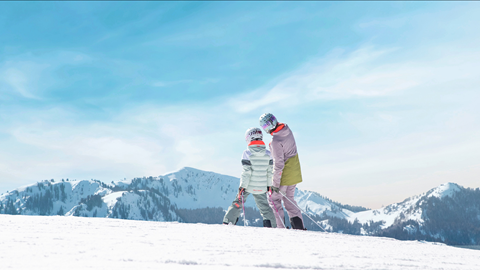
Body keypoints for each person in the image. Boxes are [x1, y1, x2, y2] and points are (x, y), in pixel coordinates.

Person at [223, 127, 277, 228]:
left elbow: (246, 172)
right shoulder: (268, 154)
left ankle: (228, 222)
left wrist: (242, 187)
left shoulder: (247, 153)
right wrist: (269, 185)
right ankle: (272, 226)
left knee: (237, 203)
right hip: (261, 187)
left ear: (249, 138)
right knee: (265, 207)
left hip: (247, 186)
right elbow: (270, 172)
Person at [259, 113, 305, 230]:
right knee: (289, 199)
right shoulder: (286, 130)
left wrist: (274, 184)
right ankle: (299, 228)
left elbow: (278, 165)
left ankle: (280, 230)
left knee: (274, 199)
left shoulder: (275, 142)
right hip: (294, 172)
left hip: (285, 175)